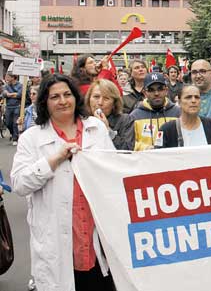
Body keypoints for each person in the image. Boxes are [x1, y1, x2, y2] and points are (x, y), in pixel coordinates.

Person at [11, 74, 116, 291]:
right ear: (44, 102)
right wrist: (53, 160)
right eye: (54, 97)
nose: (62, 101)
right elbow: (20, 183)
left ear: (76, 98)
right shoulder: (31, 138)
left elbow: (113, 172)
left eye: (67, 94)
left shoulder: (95, 128)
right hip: (57, 241)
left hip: (96, 240)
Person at [130, 72, 180, 150]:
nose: (156, 93)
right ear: (145, 93)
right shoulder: (134, 116)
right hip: (147, 160)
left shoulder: (178, 113)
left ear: (166, 90)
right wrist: (146, 148)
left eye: (160, 89)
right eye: (151, 90)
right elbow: (129, 142)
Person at [86, 79, 135, 151]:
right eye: (96, 97)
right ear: (89, 99)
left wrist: (107, 130)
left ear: (114, 104)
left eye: (106, 98)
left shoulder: (125, 120)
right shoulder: (82, 120)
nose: (100, 102)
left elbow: (127, 150)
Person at [2, 71, 22, 146]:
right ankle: (13, 133)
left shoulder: (20, 85)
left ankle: (15, 138)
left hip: (17, 106)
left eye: (8, 77)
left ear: (13, 77)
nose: (6, 78)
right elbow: (4, 94)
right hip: (8, 106)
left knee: (14, 123)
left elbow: (19, 95)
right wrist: (13, 94)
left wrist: (9, 94)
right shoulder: (6, 85)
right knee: (8, 123)